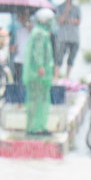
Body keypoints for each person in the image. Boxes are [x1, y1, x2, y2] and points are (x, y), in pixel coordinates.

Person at [23, 8, 56, 136]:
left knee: (35, 101)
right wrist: (40, 67)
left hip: (36, 75)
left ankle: (36, 127)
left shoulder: (38, 32)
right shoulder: (40, 34)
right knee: (38, 102)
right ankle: (37, 127)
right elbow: (38, 52)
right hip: (38, 76)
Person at [55, 0, 82, 73]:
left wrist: (67, 21)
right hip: (63, 37)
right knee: (59, 57)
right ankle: (56, 75)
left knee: (71, 58)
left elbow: (78, 21)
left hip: (74, 36)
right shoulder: (59, 7)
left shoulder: (77, 8)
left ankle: (67, 76)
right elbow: (59, 21)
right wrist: (66, 10)